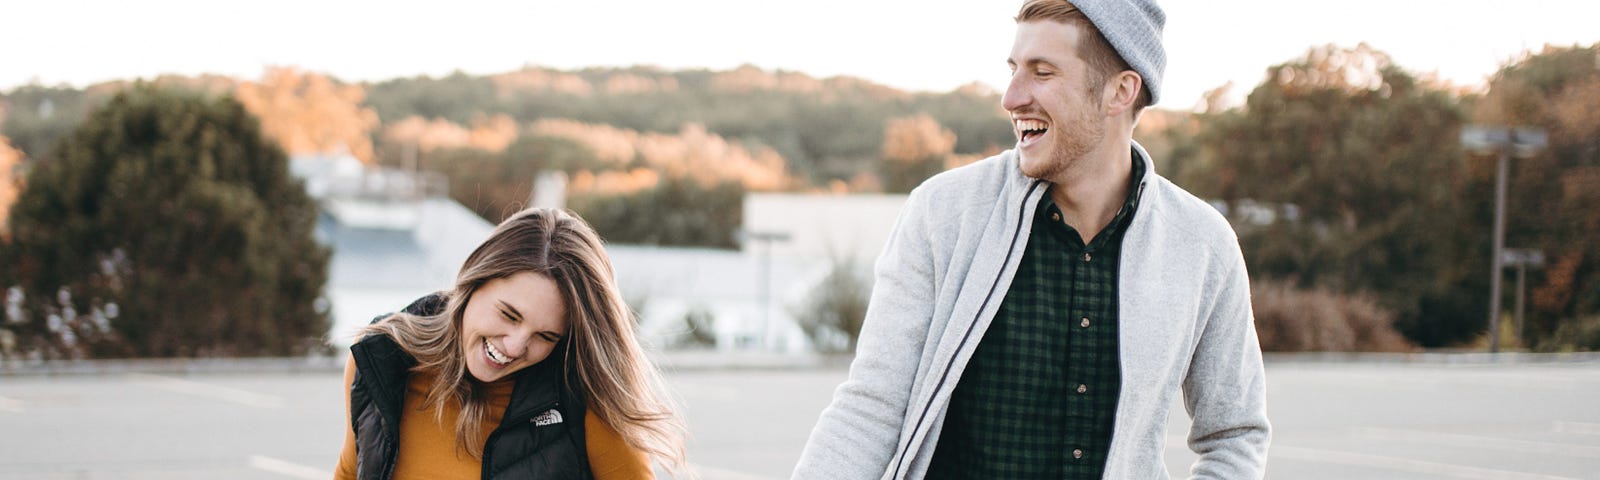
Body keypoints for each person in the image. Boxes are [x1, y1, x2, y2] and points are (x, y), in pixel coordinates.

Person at [792, 1, 1270, 478]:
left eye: (1042, 73)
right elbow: (869, 410)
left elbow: (1234, 435)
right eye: (1014, 69)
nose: (1012, 97)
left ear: (1120, 91)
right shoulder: (943, 215)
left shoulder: (1202, 245)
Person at [334, 207, 686, 479]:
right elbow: (351, 473)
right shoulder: (383, 358)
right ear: (473, 281)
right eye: (509, 315)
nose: (516, 346)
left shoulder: (587, 398)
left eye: (545, 336)